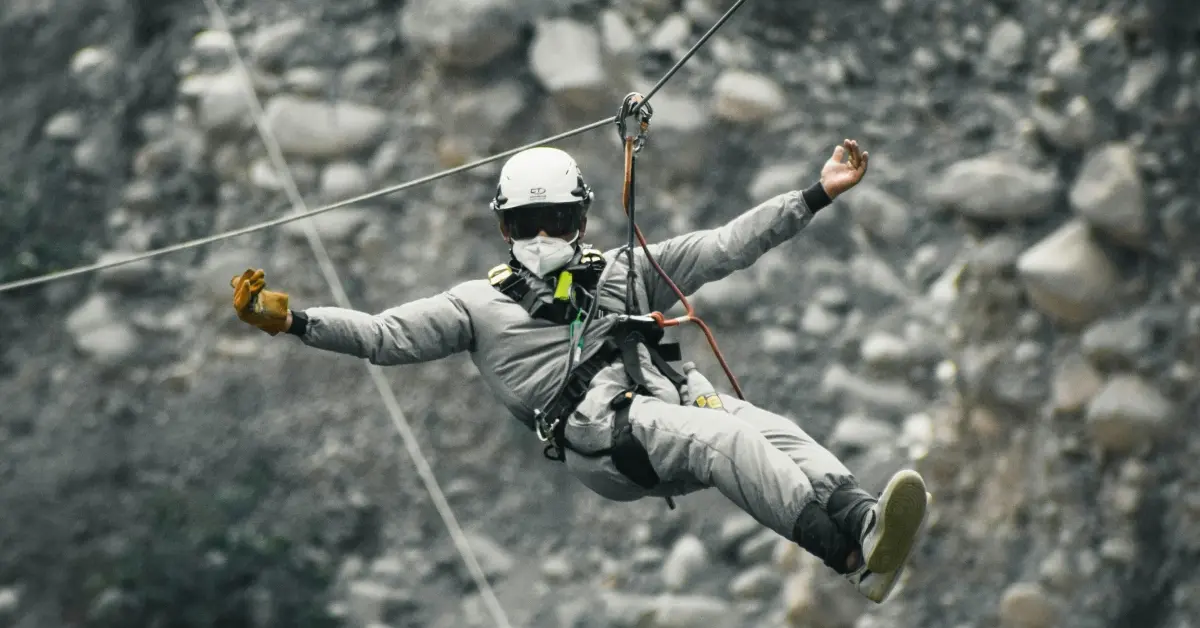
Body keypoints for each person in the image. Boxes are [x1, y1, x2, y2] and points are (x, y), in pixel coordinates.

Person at [229, 139, 930, 603]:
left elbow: (725, 247)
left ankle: (866, 524)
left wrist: (815, 194)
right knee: (728, 442)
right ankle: (847, 559)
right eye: (528, 222)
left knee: (774, 430)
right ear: (505, 228)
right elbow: (384, 336)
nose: (542, 238)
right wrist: (294, 322)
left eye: (556, 220)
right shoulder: (475, 306)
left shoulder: (626, 272)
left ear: (581, 219)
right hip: (607, 441)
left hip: (670, 406)